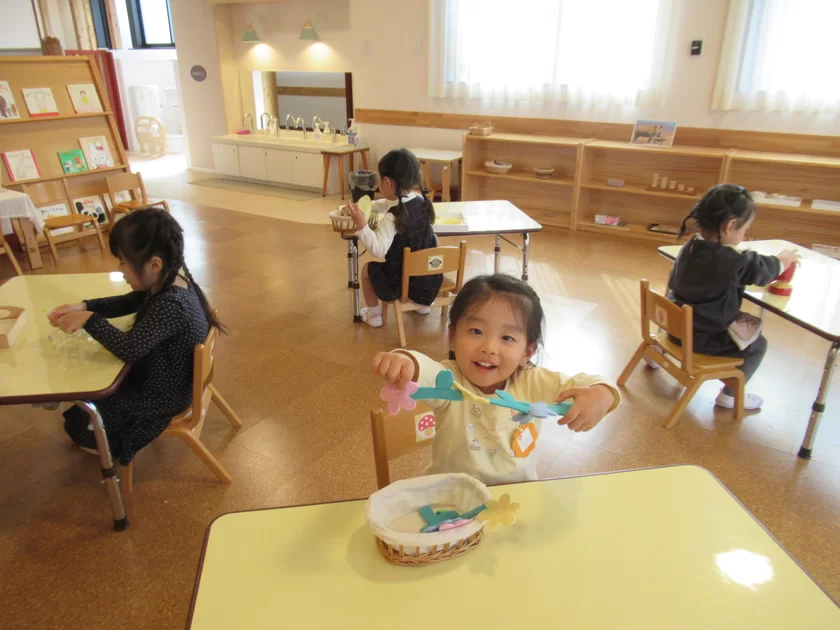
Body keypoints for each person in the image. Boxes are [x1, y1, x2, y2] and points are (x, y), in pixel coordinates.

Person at [371, 274, 620, 484]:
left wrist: (602, 393)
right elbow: (426, 371)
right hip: (451, 497)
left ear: (527, 352)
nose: (489, 347)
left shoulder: (533, 381)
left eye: (507, 338)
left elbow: (584, 382)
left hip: (517, 497)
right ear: (453, 337)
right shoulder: (451, 378)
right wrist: (406, 361)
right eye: (476, 331)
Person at [48, 209, 225, 465]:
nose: (119, 270)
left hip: (162, 397)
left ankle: (115, 447)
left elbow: (130, 349)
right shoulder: (171, 281)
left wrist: (90, 320)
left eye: (122, 262)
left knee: (77, 421)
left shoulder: (171, 304)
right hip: (165, 381)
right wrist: (83, 306)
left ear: (154, 264)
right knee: (86, 398)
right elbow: (127, 301)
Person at [666, 184, 797, 410]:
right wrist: (784, 259)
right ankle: (730, 394)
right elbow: (763, 270)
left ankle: (657, 351)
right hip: (701, 337)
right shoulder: (733, 261)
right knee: (757, 344)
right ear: (730, 226)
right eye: (745, 229)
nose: (745, 234)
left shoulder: (691, 246)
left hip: (674, 329)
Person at [349, 148, 441, 328]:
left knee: (367, 270)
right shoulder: (422, 202)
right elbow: (392, 203)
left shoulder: (393, 218)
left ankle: (374, 316)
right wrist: (373, 206)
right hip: (426, 279)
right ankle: (421, 306)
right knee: (415, 257)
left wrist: (362, 225)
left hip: (400, 282)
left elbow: (378, 250)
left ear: (386, 182)